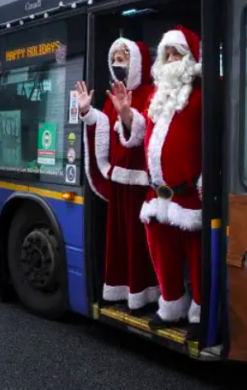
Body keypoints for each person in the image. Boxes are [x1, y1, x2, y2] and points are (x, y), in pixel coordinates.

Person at [111, 25, 204, 327]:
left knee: (198, 263)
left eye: (178, 52)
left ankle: (201, 316)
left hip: (189, 195)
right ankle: (172, 308)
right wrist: (125, 114)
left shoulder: (202, 96)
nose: (172, 57)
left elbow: (215, 141)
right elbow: (137, 134)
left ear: (190, 57)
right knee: (163, 257)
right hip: (157, 194)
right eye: (167, 52)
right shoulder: (155, 95)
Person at [76, 37, 159, 312]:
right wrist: (88, 111)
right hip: (120, 182)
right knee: (120, 241)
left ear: (136, 62)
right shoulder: (114, 95)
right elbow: (105, 126)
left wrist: (127, 115)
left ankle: (145, 294)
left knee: (141, 243)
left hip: (143, 184)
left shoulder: (151, 93)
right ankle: (122, 289)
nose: (117, 65)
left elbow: (145, 131)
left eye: (122, 60)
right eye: (114, 60)